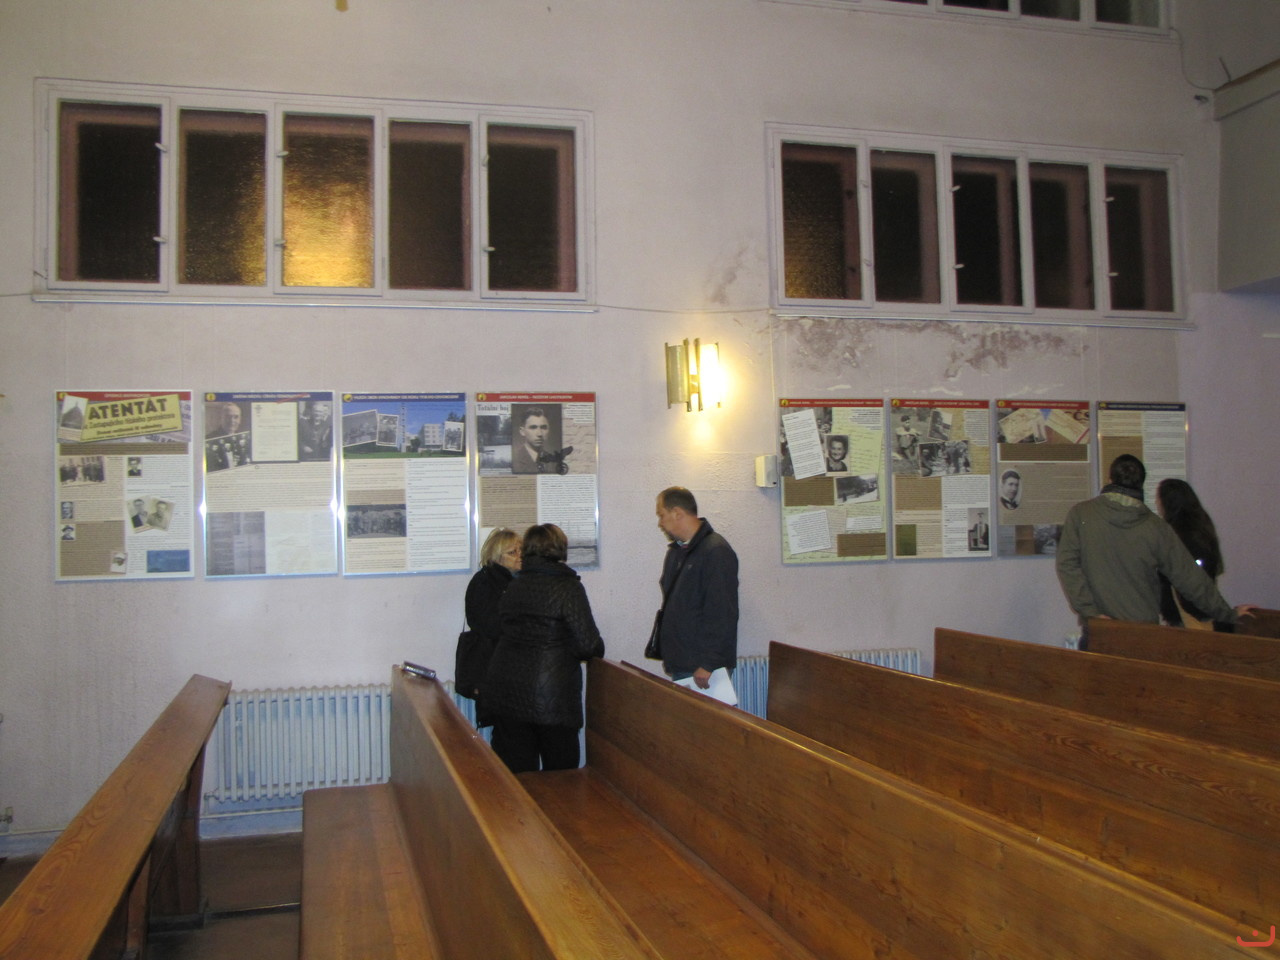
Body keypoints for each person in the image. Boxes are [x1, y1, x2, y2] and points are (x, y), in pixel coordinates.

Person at [1056, 455, 1246, 647]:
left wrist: (1090, 611)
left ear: (1110, 479)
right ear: (1141, 484)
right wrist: (1229, 614)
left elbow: (1067, 565)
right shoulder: (1156, 528)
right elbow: (1190, 578)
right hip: (1143, 632)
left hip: (1099, 629)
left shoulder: (1081, 514)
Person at [484, 524, 604, 773]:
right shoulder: (567, 587)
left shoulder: (514, 585)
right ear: (560, 549)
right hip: (551, 696)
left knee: (518, 777)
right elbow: (589, 645)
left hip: (508, 691)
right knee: (560, 778)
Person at [653, 486, 739, 690]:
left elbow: (723, 612)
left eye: (662, 515)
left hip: (704, 668)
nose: (660, 523)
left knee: (707, 714)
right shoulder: (677, 552)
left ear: (677, 513)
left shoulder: (715, 551)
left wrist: (710, 664)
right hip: (683, 661)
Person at [461, 528, 523, 722]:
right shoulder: (484, 582)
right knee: (506, 731)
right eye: (512, 552)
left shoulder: (520, 581)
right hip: (495, 668)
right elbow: (487, 624)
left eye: (521, 550)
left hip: (514, 669)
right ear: (497, 557)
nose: (519, 556)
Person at [1155, 478, 1226, 630]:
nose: (1157, 503)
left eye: (1158, 499)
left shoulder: (1177, 535)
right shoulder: (1202, 526)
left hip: (1185, 611)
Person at [510, 407, 552, 474]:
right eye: (533, 427)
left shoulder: (554, 461)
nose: (539, 434)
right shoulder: (514, 461)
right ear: (522, 431)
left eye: (543, 427)